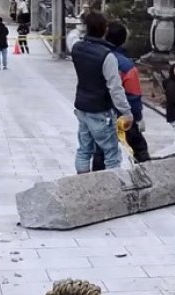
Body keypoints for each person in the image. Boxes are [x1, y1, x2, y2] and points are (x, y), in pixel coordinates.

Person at [70, 11, 134, 173]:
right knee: (111, 152)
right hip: (100, 109)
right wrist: (126, 112)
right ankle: (114, 186)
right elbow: (115, 88)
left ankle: (82, 183)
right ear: (104, 30)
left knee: (84, 149)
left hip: (82, 106)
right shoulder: (107, 56)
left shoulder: (77, 48)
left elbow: (73, 36)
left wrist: (82, 28)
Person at [91, 22, 150, 170]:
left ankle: (95, 182)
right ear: (124, 40)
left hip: (100, 112)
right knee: (139, 148)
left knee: (100, 151)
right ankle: (148, 177)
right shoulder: (127, 66)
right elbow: (133, 96)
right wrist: (137, 117)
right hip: (122, 115)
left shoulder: (96, 58)